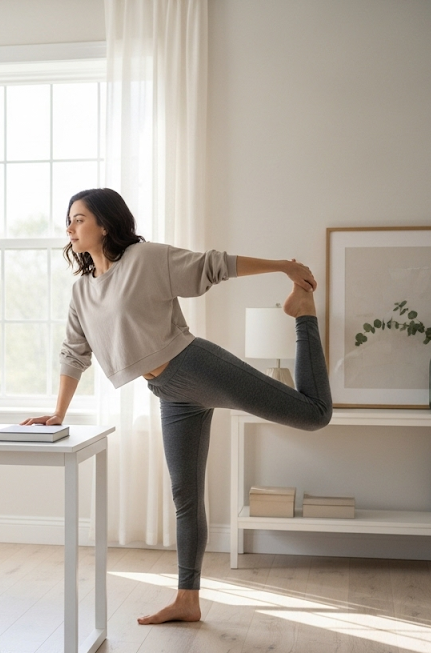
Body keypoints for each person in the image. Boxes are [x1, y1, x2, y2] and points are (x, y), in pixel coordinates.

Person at [22, 188, 332, 625]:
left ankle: (304, 312)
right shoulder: (82, 293)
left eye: (78, 219)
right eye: (68, 221)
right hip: (168, 391)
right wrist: (59, 413)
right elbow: (74, 353)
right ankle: (188, 599)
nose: (69, 228)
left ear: (105, 224)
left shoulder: (145, 260)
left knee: (315, 414)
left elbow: (213, 265)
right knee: (185, 496)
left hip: (196, 365)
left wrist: (283, 266)